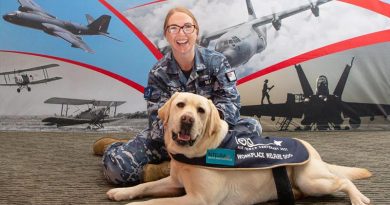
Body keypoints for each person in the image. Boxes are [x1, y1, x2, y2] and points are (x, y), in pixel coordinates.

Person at [93, 7, 262, 186]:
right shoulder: (158, 72)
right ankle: (122, 149)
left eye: (187, 27)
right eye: (173, 28)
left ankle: (169, 170)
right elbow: (156, 119)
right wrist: (180, 134)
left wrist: (202, 131)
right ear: (167, 34)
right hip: (169, 141)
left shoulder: (217, 62)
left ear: (196, 32)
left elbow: (231, 104)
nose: (181, 33)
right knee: (118, 171)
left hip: (208, 139)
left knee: (252, 129)